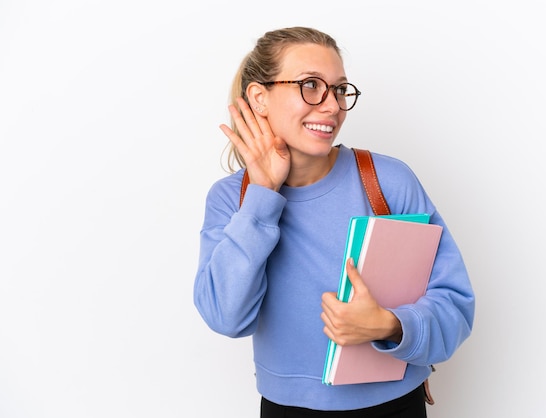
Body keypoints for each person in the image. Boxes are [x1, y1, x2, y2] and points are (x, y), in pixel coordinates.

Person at [193, 26, 475, 417]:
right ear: (259, 98)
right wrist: (263, 197)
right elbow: (227, 318)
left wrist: (388, 325)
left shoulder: (388, 181)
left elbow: (456, 305)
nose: (331, 106)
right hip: (288, 409)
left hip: (395, 405)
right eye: (311, 85)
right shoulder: (233, 199)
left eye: (340, 89)